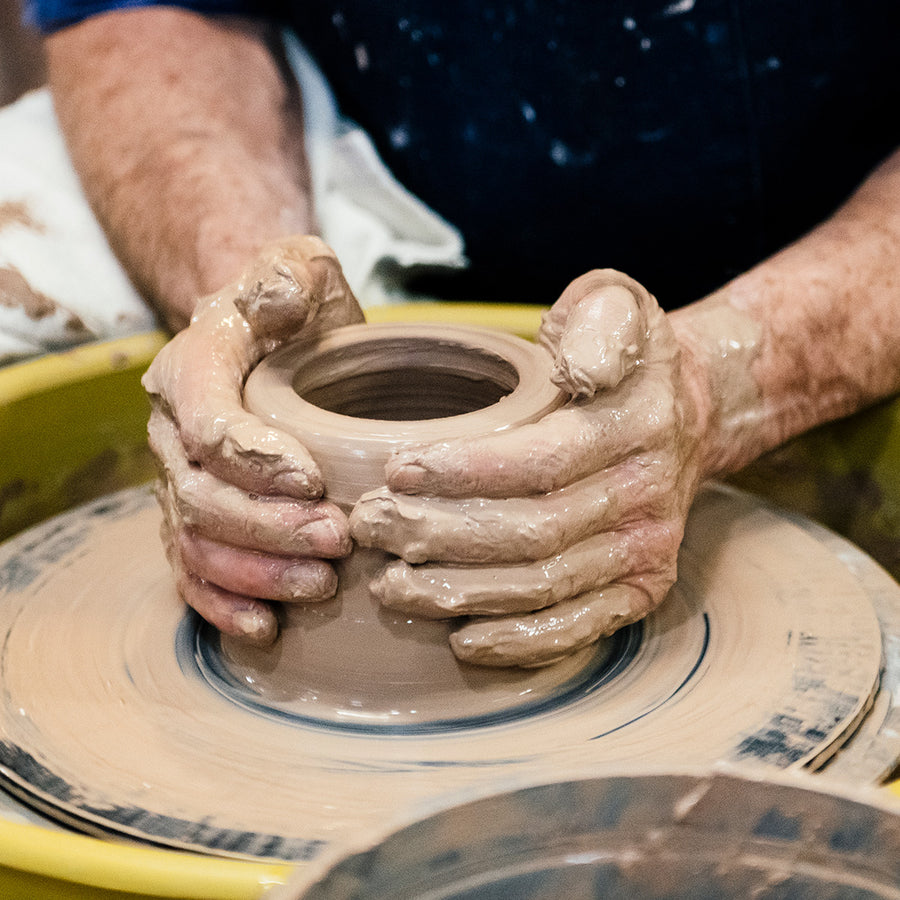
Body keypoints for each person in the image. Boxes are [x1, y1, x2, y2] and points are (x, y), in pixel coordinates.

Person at [28, 2, 900, 667]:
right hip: (352, 164)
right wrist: (245, 284)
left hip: (834, 239)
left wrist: (730, 381)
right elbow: (139, 9)